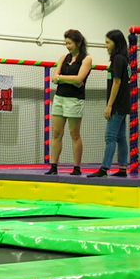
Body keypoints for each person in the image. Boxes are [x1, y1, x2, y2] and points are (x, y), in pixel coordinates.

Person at [46, 29, 92, 176]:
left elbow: (79, 79)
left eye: (70, 43)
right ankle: (53, 166)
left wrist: (63, 78)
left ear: (78, 43)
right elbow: (54, 78)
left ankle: (77, 167)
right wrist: (70, 80)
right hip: (60, 97)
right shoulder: (63, 57)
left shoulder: (86, 59)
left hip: (74, 100)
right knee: (57, 133)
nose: (67, 46)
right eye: (66, 43)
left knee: (74, 134)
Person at [90, 29, 131, 178]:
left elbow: (117, 82)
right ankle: (122, 168)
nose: (106, 46)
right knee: (120, 137)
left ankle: (104, 168)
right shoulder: (123, 59)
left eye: (108, 43)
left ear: (116, 43)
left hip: (118, 105)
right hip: (123, 104)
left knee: (110, 137)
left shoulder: (119, 59)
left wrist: (109, 105)